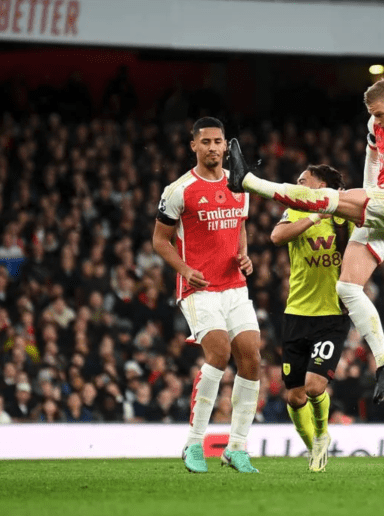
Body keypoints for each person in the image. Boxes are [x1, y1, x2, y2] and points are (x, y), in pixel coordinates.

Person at [228, 78, 384, 404]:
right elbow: (372, 155)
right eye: (373, 115)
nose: (377, 121)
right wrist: (372, 191)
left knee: (323, 199)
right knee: (347, 288)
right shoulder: (376, 121)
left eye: (381, 114)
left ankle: (247, 181)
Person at [153, 117, 261, 473]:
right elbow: (159, 240)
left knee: (251, 356)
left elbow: (239, 226)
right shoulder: (178, 190)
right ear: (194, 146)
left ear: (226, 144)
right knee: (219, 352)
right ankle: (194, 443)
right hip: (198, 288)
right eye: (206, 142)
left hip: (234, 285)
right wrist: (184, 270)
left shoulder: (239, 183)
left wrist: (244, 255)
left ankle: (237, 447)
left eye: (219, 141)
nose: (213, 147)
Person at [270, 165, 353, 472]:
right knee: (294, 397)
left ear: (324, 185)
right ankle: (313, 447)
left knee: (315, 387)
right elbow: (277, 236)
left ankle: (322, 434)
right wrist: (316, 215)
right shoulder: (296, 210)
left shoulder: (345, 218)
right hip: (296, 313)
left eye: (304, 180)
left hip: (332, 314)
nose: (298, 184)